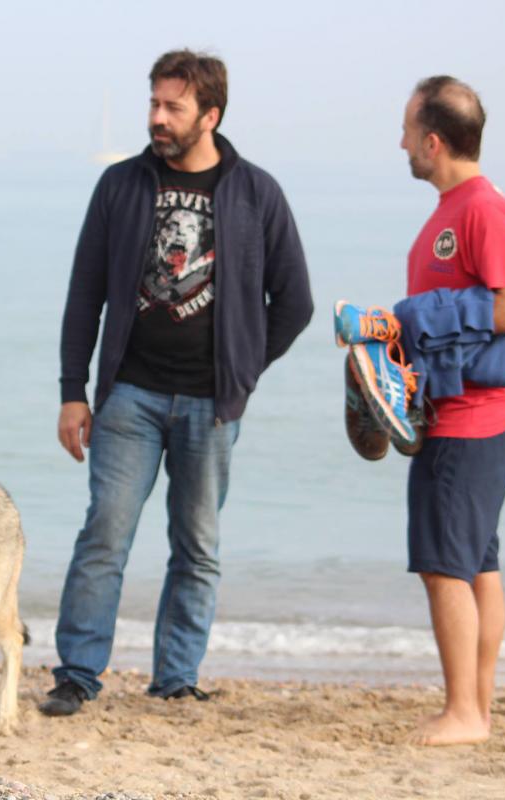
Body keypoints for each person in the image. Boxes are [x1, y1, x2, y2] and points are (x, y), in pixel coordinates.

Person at [41, 49, 313, 717]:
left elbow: (296, 301)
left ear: (210, 115)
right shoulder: (122, 186)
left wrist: (242, 371)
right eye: (154, 104)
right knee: (105, 534)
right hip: (129, 395)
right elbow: (86, 294)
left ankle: (175, 679)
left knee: (196, 547)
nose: (158, 118)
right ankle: (78, 673)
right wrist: (72, 390)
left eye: (173, 107)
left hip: (211, 404)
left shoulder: (256, 193)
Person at [397, 76, 505, 745]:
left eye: (406, 131)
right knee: (478, 561)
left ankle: (464, 714)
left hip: (474, 416)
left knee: (444, 562)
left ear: (433, 140)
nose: (399, 144)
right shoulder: (452, 210)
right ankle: (476, 706)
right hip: (463, 412)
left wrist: (419, 314)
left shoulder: (480, 208)